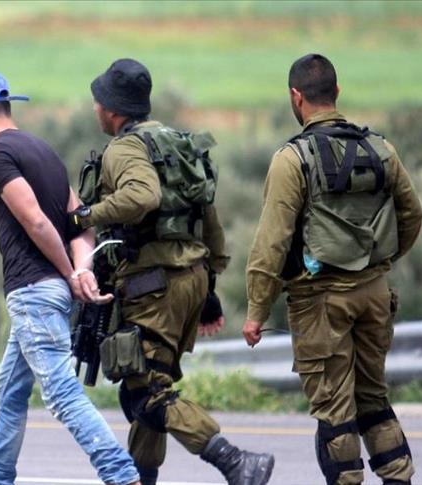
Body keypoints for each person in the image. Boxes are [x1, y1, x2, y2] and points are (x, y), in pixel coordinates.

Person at [68, 58, 274, 485]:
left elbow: (142, 196)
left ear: (112, 109)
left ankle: (235, 462)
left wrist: (85, 216)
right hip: (191, 279)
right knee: (147, 387)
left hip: (153, 287)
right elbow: (207, 217)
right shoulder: (177, 143)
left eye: (98, 102)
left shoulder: (125, 149)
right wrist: (209, 289)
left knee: (147, 392)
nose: (95, 109)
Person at [0, 72, 141, 485]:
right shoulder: (44, 151)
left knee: (61, 394)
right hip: (50, 293)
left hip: (33, 292)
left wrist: (72, 273)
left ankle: (123, 475)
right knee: (12, 390)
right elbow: (81, 222)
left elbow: (35, 221)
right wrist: (82, 270)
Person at [242, 53, 422, 485]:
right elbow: (412, 215)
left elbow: (272, 241)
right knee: (373, 399)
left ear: (296, 97)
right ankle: (399, 477)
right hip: (375, 294)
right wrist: (378, 263)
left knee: (334, 410)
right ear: (337, 91)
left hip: (320, 300)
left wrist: (256, 311)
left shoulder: (292, 159)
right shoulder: (380, 149)